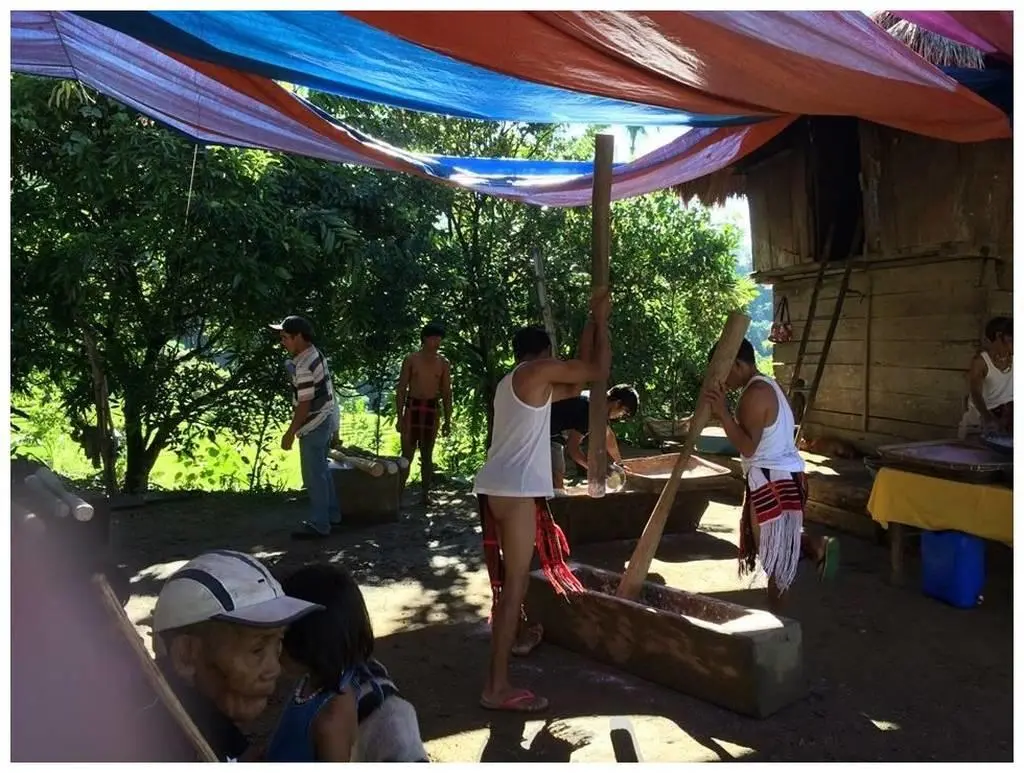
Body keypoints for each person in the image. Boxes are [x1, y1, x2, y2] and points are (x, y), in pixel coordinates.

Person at [473, 289, 611, 713]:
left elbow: (578, 382)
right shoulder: (537, 372)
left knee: (510, 585)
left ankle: (505, 664)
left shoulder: (513, 382)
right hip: (515, 491)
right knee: (514, 587)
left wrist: (591, 321)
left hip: (496, 488)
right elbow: (597, 371)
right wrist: (602, 322)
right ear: (544, 354)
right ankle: (496, 687)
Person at [702, 338, 839, 613]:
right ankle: (816, 546)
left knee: (775, 558)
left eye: (724, 372)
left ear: (738, 365)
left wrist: (724, 415)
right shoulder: (768, 385)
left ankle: (779, 619)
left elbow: (748, 448)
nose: (722, 379)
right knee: (780, 544)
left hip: (772, 480)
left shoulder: (753, 396)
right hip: (786, 476)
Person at [151, 550, 324, 761]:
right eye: (257, 650)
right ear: (186, 655)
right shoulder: (152, 744)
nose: (274, 669)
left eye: (278, 642)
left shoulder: (207, 718)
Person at [265, 564, 428, 763]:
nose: (272, 649)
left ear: (306, 643)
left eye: (279, 638)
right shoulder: (313, 682)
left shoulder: (331, 720)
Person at [270, 315, 340, 540]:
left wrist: (290, 433)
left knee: (313, 476)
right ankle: (332, 515)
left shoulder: (303, 365)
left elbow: (304, 404)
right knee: (322, 471)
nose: (282, 342)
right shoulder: (315, 353)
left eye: (285, 337)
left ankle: (320, 524)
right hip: (325, 417)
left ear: (298, 337)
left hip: (313, 424)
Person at [395, 322, 453, 506]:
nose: (437, 342)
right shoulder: (411, 359)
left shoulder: (443, 363)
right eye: (434, 338)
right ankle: (397, 496)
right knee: (407, 454)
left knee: (427, 454)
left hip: (431, 409)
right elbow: (401, 389)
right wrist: (399, 417)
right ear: (425, 339)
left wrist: (448, 420)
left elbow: (446, 392)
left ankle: (425, 495)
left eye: (439, 339)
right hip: (412, 408)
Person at [550, 384, 640, 491]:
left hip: (550, 428)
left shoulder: (596, 399)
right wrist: (595, 469)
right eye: (624, 412)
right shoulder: (591, 412)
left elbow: (608, 437)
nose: (620, 416)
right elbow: (573, 448)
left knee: (556, 475)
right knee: (557, 477)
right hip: (545, 431)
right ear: (617, 403)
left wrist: (620, 463)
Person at [959, 316, 1013, 439]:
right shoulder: (981, 362)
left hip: (1006, 421)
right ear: (999, 336)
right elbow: (976, 393)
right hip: (980, 423)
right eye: (1012, 338)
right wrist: (987, 417)